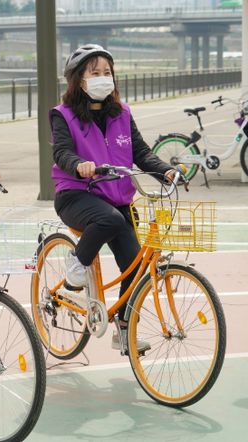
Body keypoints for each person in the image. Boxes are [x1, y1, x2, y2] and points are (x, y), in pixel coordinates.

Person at [50, 44, 175, 353]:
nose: (103, 78)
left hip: (117, 198)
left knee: (134, 267)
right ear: (79, 79)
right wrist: (79, 164)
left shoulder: (122, 113)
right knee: (110, 219)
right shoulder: (63, 115)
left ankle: (123, 329)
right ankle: (77, 262)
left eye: (107, 72)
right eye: (95, 73)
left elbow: (141, 152)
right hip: (76, 194)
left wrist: (166, 171)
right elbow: (62, 152)